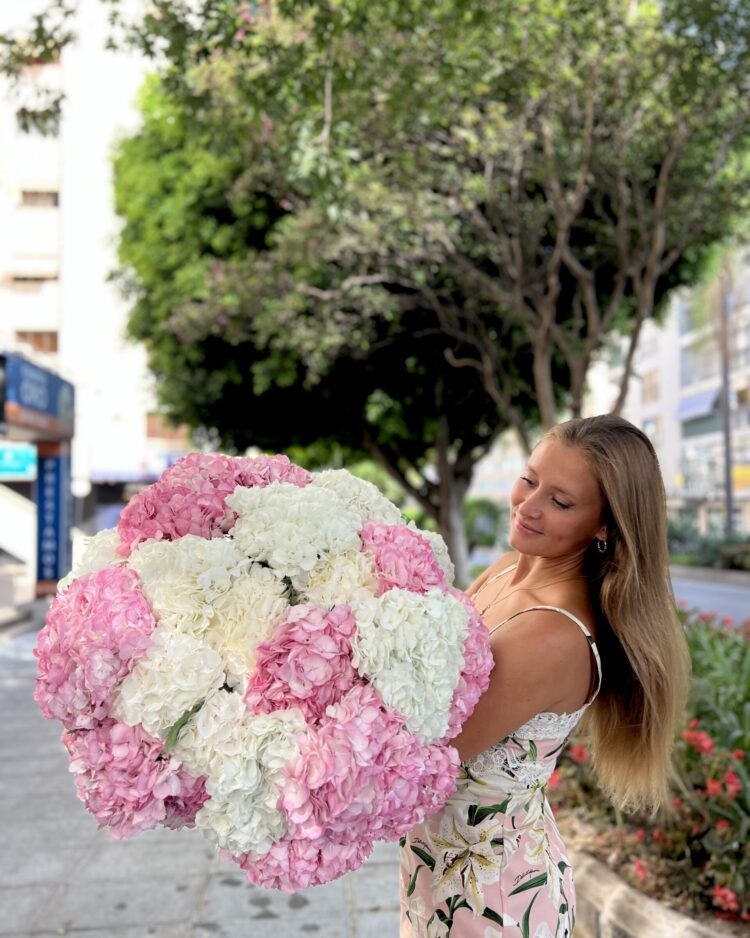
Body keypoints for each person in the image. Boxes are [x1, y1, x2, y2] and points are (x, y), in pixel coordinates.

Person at [399, 414, 691, 937]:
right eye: (529, 480)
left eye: (560, 501)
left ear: (604, 525)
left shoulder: (553, 634)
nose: (528, 506)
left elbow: (419, 753)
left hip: (489, 902)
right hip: (438, 875)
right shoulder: (507, 569)